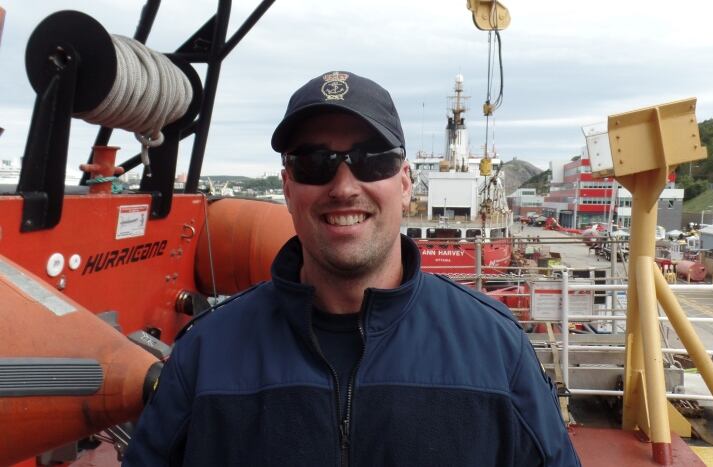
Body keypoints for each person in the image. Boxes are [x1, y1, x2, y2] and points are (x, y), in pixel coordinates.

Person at [124, 71, 580, 466]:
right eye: (314, 163)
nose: (343, 186)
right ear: (287, 187)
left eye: (371, 159)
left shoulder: (496, 349)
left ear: (404, 183)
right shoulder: (204, 355)